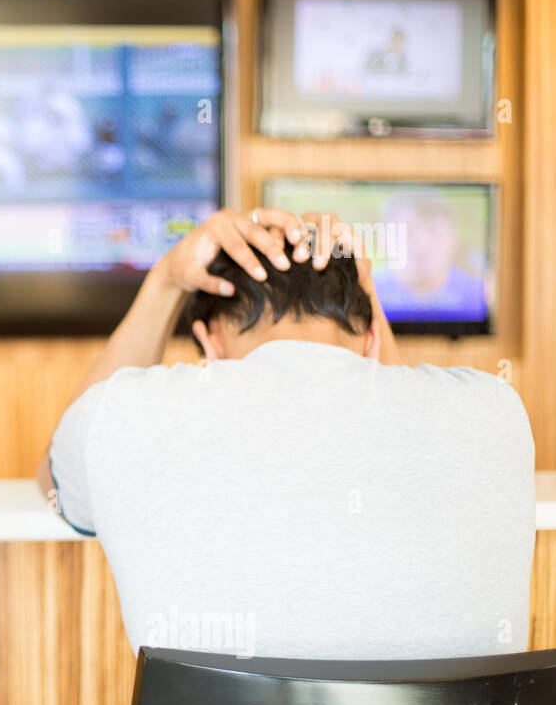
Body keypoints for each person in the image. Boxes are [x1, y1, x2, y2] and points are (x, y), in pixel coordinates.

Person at [38, 207, 533, 660]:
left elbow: (55, 485)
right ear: (372, 337)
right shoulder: (497, 411)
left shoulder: (123, 414)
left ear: (208, 343)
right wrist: (366, 291)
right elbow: (400, 404)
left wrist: (166, 280)